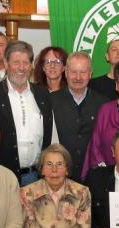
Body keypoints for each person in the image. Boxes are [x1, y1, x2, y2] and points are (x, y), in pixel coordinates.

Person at [0, 40, 53, 185]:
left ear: (31, 66)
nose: (21, 68)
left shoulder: (43, 95)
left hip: (36, 177)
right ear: (6, 63)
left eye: (25, 63)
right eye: (16, 62)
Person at [50, 51, 108, 181]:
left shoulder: (103, 104)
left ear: (90, 73)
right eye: (73, 72)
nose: (78, 77)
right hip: (60, 176)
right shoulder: (51, 101)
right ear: (65, 72)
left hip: (94, 175)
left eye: (83, 72)